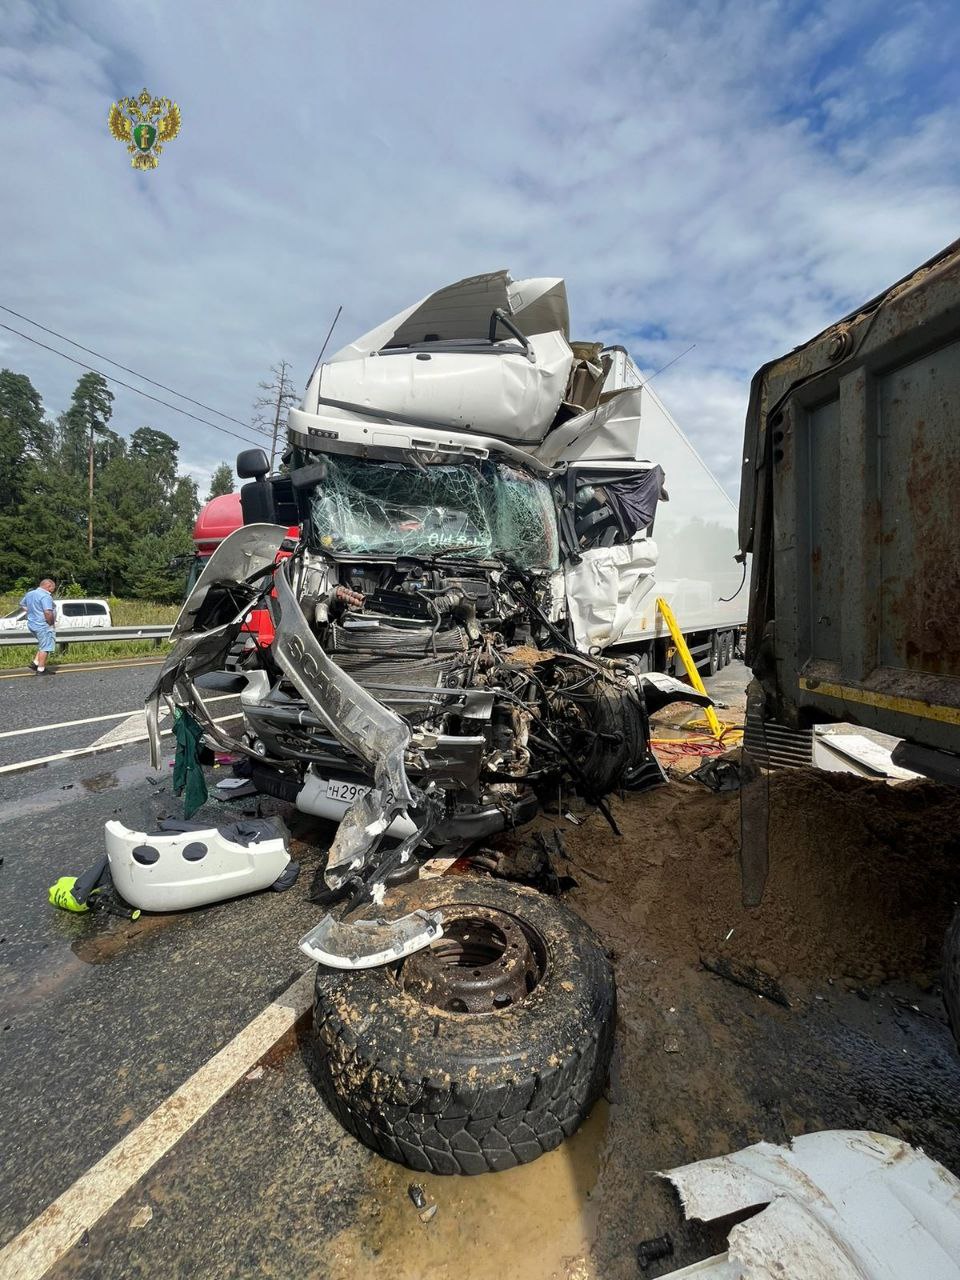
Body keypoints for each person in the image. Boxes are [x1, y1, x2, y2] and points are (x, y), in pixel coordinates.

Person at [20, 577, 57, 674]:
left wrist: (31, 612)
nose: (53, 590)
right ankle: (41, 669)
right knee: (46, 646)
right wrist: (51, 623)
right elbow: (48, 612)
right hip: (43, 625)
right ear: (49, 586)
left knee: (43, 643)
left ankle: (36, 662)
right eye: (53, 588)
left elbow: (22, 604)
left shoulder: (30, 594)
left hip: (32, 624)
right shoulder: (45, 596)